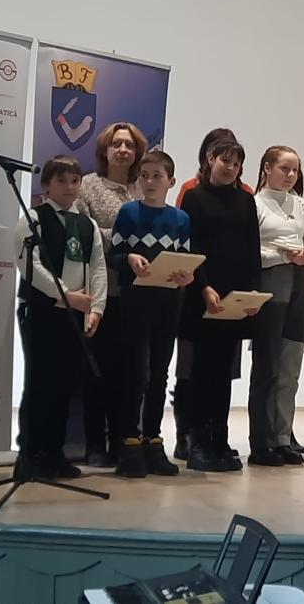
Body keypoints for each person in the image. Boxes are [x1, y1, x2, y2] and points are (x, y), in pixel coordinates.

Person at [14, 156, 107, 481]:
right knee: (40, 384)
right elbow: (30, 264)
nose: (69, 187)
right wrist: (65, 295)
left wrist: (96, 308)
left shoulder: (87, 224)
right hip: (42, 312)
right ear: (46, 185)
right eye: (62, 181)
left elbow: (97, 267)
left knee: (65, 386)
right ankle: (30, 454)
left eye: (75, 181)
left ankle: (55, 453)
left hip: (76, 315)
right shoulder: (33, 219)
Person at [179, 138, 262, 472]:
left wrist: (254, 293)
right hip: (204, 296)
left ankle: (220, 440)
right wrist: (204, 286)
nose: (230, 168)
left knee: (225, 372)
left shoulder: (246, 200)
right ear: (210, 159)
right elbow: (191, 246)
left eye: (236, 164)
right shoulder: (195, 197)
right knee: (203, 372)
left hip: (235, 298)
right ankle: (199, 443)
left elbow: (252, 248)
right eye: (225, 161)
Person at [109, 151, 193, 477]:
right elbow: (114, 255)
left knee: (159, 373)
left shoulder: (181, 219)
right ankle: (129, 441)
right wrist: (130, 259)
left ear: (171, 181)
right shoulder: (129, 213)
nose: (149, 181)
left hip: (168, 304)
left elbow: (185, 260)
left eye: (157, 175)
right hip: (135, 302)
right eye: (144, 175)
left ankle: (153, 440)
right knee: (134, 372)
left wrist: (185, 276)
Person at [75, 121, 146, 467]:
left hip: (138, 294)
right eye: (116, 144)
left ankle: (122, 440)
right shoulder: (87, 185)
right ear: (105, 150)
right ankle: (94, 444)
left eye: (129, 145)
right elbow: (83, 231)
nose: (123, 150)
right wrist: (127, 240)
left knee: (129, 374)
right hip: (100, 293)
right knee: (96, 372)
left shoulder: (143, 187)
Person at [247, 145, 304, 467]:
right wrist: (282, 255)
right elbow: (250, 253)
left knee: (290, 369)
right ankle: (261, 441)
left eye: (294, 170)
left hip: (299, 287)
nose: (290, 175)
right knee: (267, 368)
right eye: (284, 168)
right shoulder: (254, 204)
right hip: (270, 288)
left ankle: (282, 437)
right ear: (266, 168)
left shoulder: (302, 205)